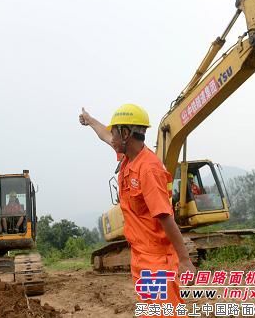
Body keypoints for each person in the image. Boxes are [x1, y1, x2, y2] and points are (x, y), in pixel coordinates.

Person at [79, 104, 196, 314]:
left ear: (125, 134)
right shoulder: (129, 159)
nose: (111, 138)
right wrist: (89, 120)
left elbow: (165, 216)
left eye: (115, 133)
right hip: (141, 256)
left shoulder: (148, 169)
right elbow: (104, 135)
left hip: (157, 260)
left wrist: (185, 260)